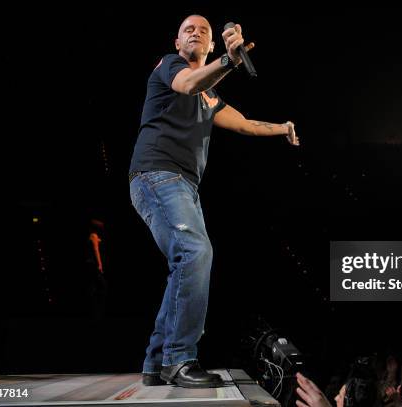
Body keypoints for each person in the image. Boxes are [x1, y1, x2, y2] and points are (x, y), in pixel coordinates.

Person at [128, 14, 299, 388]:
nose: (194, 32)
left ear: (209, 44)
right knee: (195, 252)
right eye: (187, 29)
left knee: (185, 261)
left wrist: (281, 128)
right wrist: (229, 61)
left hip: (184, 184)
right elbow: (187, 83)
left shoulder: (210, 94)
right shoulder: (170, 66)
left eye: (202, 31)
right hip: (157, 174)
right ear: (177, 43)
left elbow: (244, 123)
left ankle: (157, 363)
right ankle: (178, 359)